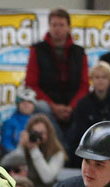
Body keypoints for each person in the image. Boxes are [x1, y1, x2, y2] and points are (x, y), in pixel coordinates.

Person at [27, 9, 88, 137]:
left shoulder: (79, 52)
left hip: (72, 105)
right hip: (48, 105)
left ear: (69, 27)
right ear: (49, 27)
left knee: (85, 106)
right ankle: (63, 148)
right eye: (54, 25)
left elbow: (84, 85)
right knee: (40, 107)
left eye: (61, 25)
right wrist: (53, 107)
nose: (57, 29)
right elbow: (31, 85)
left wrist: (71, 107)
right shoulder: (37, 50)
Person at [1, 114, 67, 187]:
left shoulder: (57, 153)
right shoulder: (25, 148)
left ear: (49, 134)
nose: (38, 136)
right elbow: (4, 164)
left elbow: (47, 178)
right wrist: (21, 146)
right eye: (34, 133)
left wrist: (34, 150)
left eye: (41, 133)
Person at [68, 62, 110, 155]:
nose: (100, 80)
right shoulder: (83, 104)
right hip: (89, 148)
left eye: (104, 77)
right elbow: (80, 132)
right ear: (91, 80)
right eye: (97, 77)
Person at [0, 88, 38, 154]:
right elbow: (6, 143)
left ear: (34, 106)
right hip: (13, 155)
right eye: (23, 101)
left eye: (29, 102)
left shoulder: (39, 123)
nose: (26, 104)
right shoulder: (9, 122)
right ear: (18, 104)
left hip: (35, 155)